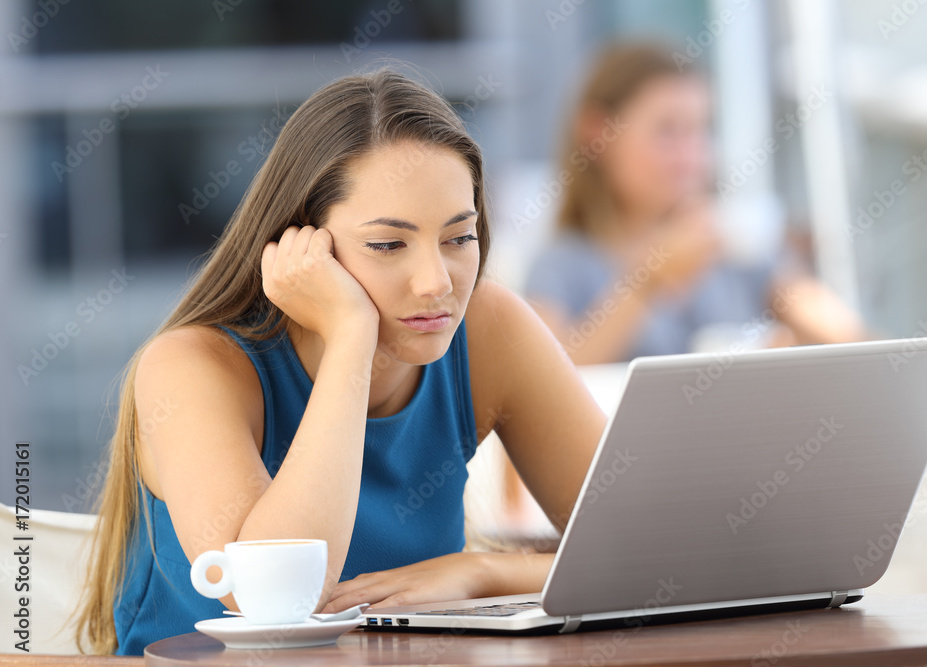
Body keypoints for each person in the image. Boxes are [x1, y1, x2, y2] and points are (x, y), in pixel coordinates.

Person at [74, 68, 606, 655]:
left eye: (459, 238)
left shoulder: (491, 328)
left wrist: (482, 573)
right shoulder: (193, 367)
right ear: (304, 246)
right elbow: (271, 601)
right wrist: (352, 333)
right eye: (386, 245)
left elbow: (659, 549)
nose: (436, 283)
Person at [523, 43, 867, 364]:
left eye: (700, 129)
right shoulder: (563, 265)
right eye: (667, 131)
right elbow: (547, 378)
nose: (689, 155)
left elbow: (854, 342)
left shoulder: (736, 245)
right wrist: (647, 282)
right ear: (597, 132)